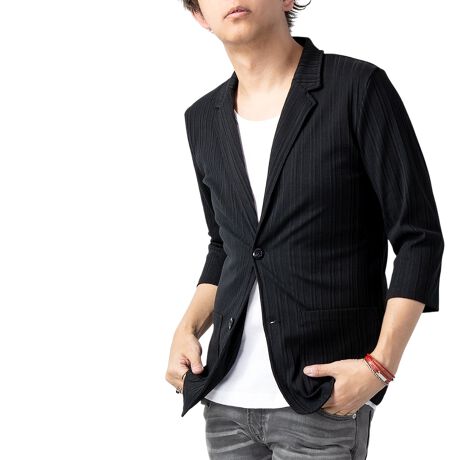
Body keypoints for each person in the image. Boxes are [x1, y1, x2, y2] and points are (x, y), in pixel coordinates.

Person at [166, 1, 444, 458]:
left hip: (321, 398)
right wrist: (187, 328)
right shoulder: (202, 118)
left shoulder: (357, 87)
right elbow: (227, 246)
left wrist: (379, 366)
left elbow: (419, 237)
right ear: (199, 16)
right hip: (223, 398)